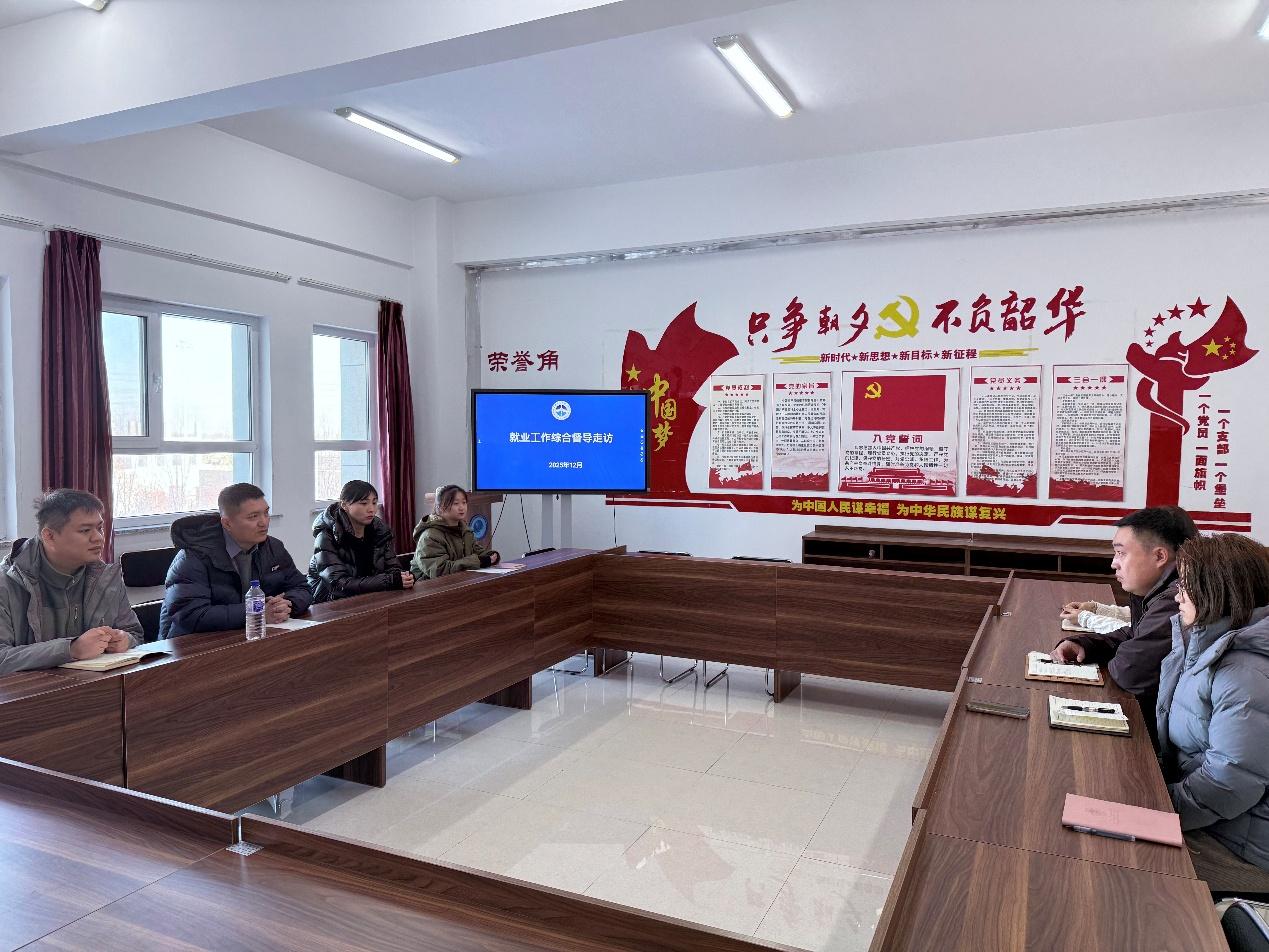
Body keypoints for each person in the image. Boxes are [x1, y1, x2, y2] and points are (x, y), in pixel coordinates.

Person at [1158, 533, 1269, 894]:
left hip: (1240, 848)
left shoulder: (1245, 671)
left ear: (1217, 590)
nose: (1177, 596)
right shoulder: (1212, 644)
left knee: (1116, 859)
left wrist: (1157, 808)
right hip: (1214, 820)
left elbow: (1230, 782)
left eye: (1185, 587)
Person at [1051, 506, 1198, 746]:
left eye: (1121, 553)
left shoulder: (1178, 599)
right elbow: (1134, 635)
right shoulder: (1159, 590)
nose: (1114, 564)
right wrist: (1086, 644)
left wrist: (1120, 652)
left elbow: (1132, 671)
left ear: (1160, 556)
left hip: (1168, 745)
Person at [0, 489, 142, 674]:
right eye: (85, 530)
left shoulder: (106, 577)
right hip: (29, 690)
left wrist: (124, 640)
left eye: (99, 528)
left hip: (92, 685)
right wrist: (71, 649)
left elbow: (134, 632)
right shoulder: (7, 583)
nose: (99, 537)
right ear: (49, 536)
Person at [160, 483, 311, 638]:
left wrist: (287, 604)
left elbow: (302, 587)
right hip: (194, 644)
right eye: (253, 516)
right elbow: (190, 614)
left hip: (250, 635)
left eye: (266, 513)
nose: (264, 522)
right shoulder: (193, 557)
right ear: (227, 523)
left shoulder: (273, 548)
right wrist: (257, 611)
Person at [308, 479, 414, 603]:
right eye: (364, 503)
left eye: (374, 503)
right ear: (344, 505)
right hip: (329, 604)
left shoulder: (380, 531)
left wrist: (403, 577)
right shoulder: (326, 537)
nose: (371, 509)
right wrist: (389, 581)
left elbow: (393, 568)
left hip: (369, 598)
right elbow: (338, 584)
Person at [411, 485, 520, 579]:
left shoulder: (465, 530)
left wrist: (490, 556)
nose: (461, 507)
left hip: (458, 581)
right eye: (456, 503)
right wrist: (479, 561)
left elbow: (477, 552)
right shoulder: (430, 536)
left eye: (464, 502)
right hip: (429, 588)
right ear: (441, 507)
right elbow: (439, 570)